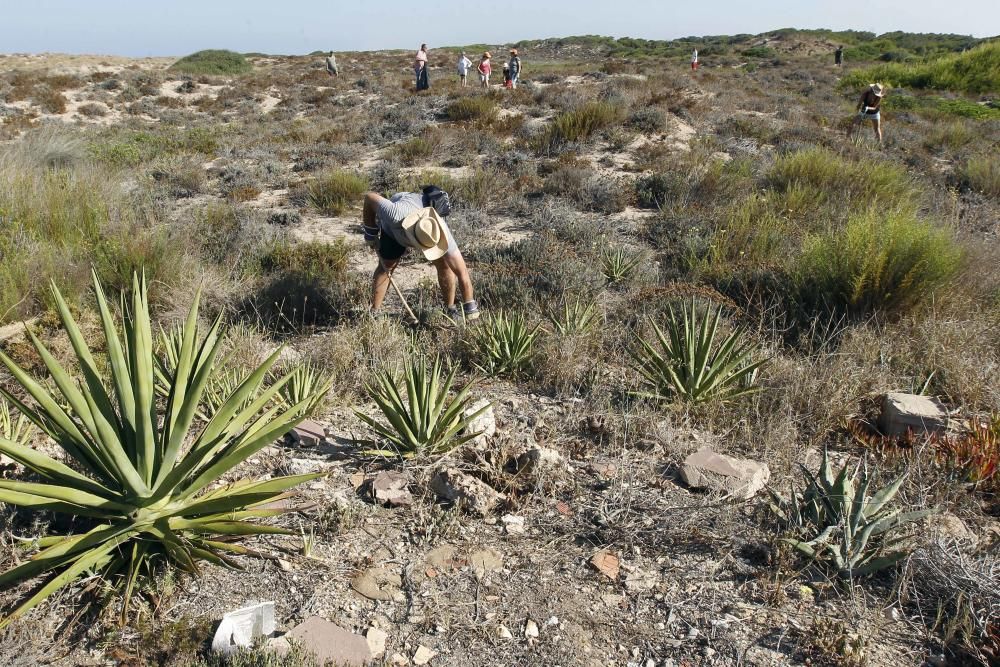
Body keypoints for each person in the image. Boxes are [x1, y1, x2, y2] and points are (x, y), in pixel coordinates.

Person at [361, 189, 479, 321]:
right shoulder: (394, 214)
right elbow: (370, 198)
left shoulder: (438, 232)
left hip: (422, 226)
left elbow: (462, 273)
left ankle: (450, 308)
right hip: (393, 231)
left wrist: (470, 305)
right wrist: (370, 232)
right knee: (387, 266)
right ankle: (374, 312)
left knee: (444, 265)